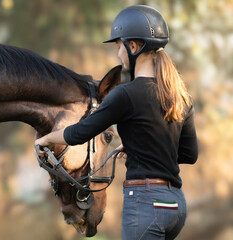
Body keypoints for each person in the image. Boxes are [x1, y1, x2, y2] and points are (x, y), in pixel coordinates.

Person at [35, 5, 198, 240]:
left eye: (118, 46)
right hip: (175, 206)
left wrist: (48, 138)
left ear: (133, 46)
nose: (118, 53)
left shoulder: (125, 95)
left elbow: (80, 133)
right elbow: (189, 154)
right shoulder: (181, 96)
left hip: (145, 203)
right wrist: (136, 147)